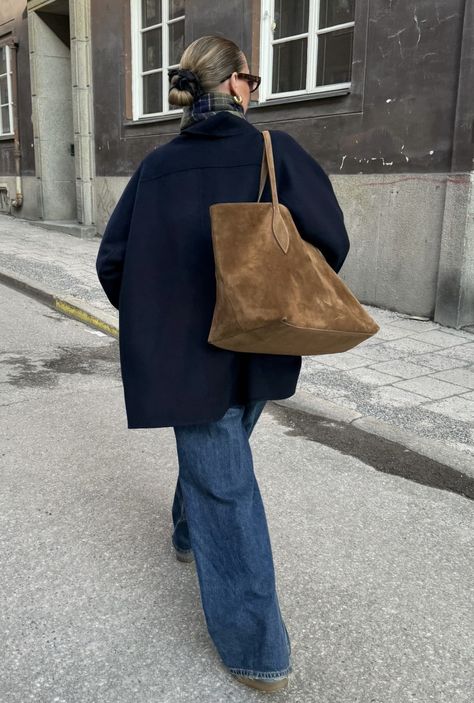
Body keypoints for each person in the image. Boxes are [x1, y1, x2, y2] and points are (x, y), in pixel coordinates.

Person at [96, 34, 350, 693]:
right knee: (226, 475)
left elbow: (113, 262)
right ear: (235, 85)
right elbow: (332, 240)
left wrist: (158, 313)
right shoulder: (277, 153)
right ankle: (257, 651)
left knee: (218, 467)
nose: (255, 89)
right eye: (254, 79)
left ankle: (187, 533)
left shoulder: (156, 170)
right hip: (260, 340)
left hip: (186, 356)